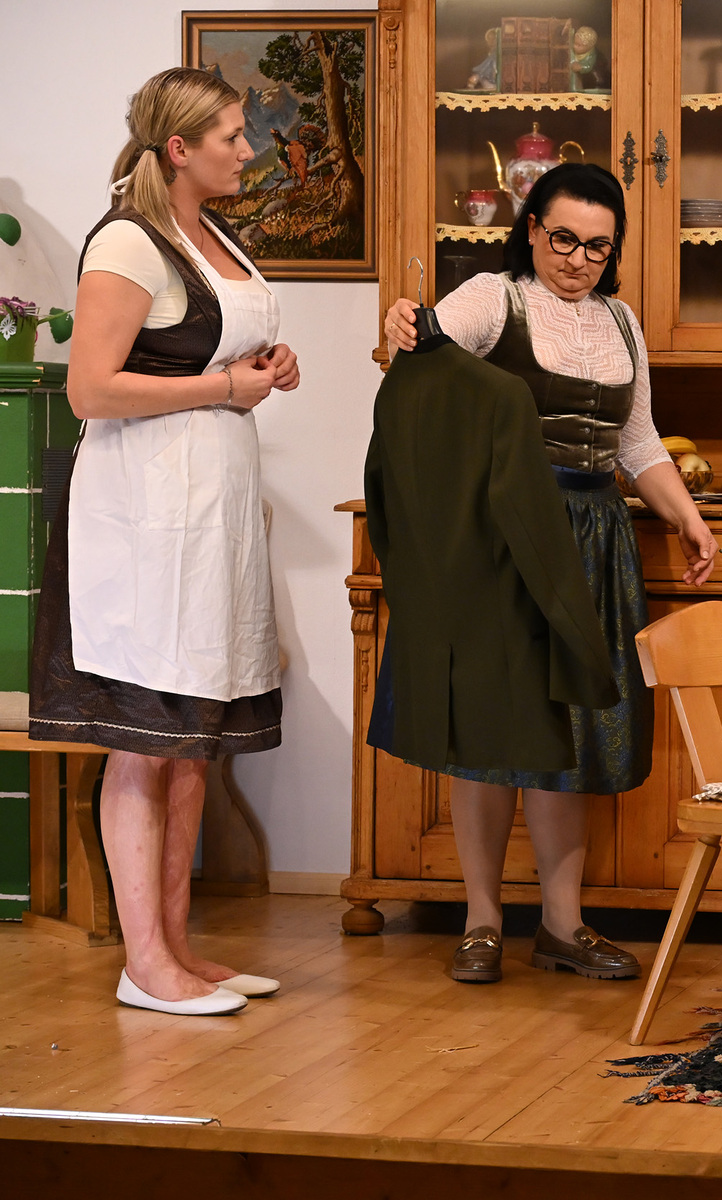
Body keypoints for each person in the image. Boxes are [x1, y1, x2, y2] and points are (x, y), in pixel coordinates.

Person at [381, 162, 716, 983]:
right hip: (503, 538)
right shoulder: (494, 298)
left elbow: (638, 441)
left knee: (570, 732)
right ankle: (482, 924)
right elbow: (415, 361)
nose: (577, 260)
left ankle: (563, 927)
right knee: (490, 733)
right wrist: (399, 327)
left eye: (598, 247)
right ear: (532, 228)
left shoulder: (622, 322)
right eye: (564, 238)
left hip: (594, 539)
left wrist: (687, 516)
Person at [30, 67, 300, 1015]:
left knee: (190, 746)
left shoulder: (212, 233)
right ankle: (144, 964)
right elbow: (90, 389)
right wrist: (226, 387)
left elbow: (206, 349)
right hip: (143, 526)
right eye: (231, 135)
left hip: (211, 520)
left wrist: (267, 365)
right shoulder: (125, 242)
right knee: (144, 745)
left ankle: (177, 950)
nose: (248, 149)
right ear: (179, 149)